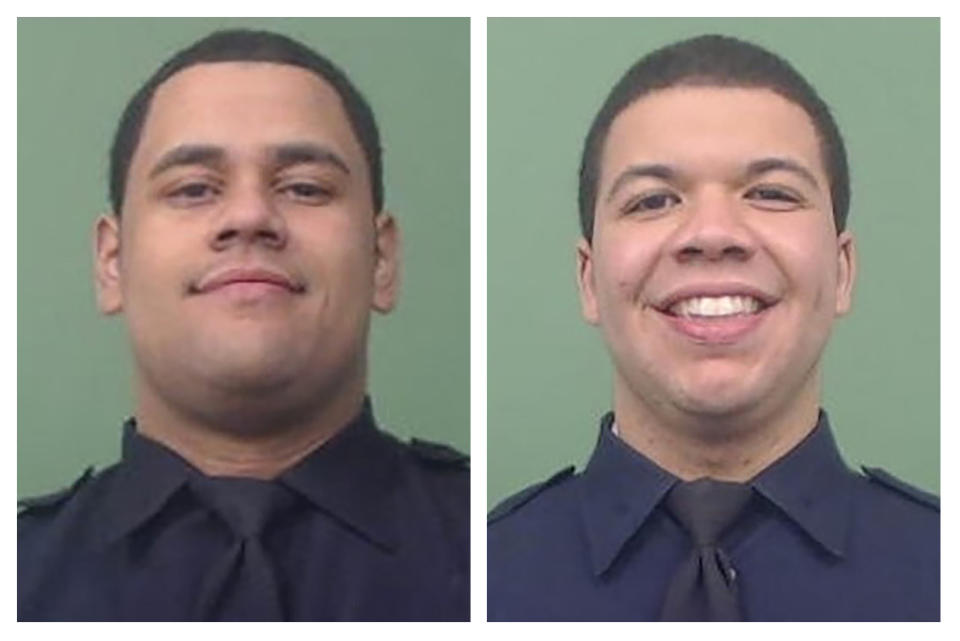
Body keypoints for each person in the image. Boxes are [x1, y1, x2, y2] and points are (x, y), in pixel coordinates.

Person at [18, 28, 468, 622]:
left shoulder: (500, 560)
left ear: (381, 260)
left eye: (305, 188)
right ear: (112, 263)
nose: (251, 215)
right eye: (194, 189)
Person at [487, 34, 938, 622]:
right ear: (588, 279)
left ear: (843, 270)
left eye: (771, 194)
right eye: (652, 201)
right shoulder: (475, 579)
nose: (713, 232)